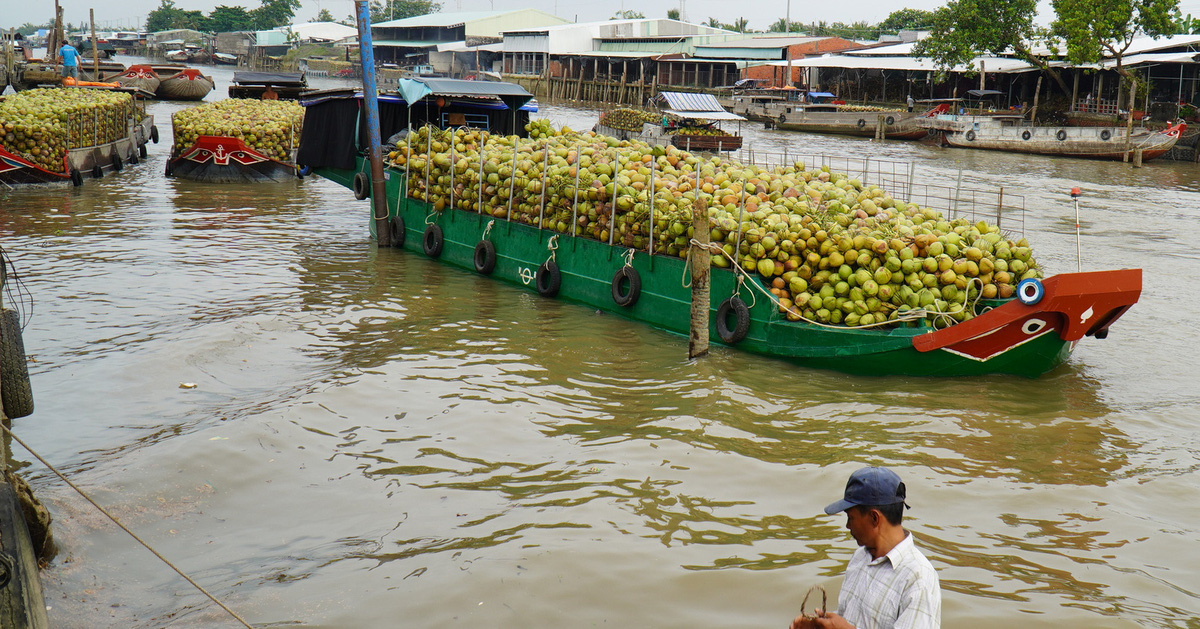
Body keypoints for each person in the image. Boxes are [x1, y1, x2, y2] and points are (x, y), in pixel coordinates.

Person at [790, 467, 941, 629]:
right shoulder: (860, 557)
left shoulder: (918, 578)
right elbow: (849, 619)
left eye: (850, 517)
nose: (847, 526)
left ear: (874, 518)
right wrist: (819, 625)